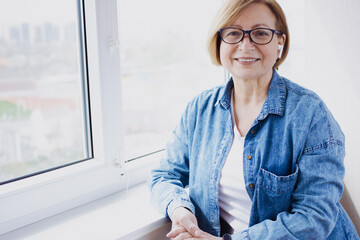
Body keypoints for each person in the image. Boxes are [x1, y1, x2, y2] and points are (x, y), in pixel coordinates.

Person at [148, 0, 360, 239]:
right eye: (233, 33)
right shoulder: (200, 109)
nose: (245, 45)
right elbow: (163, 175)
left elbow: (314, 217)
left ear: (280, 41)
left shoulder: (311, 114)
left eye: (260, 33)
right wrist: (180, 209)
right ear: (219, 42)